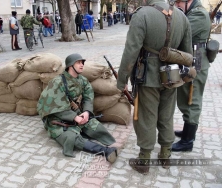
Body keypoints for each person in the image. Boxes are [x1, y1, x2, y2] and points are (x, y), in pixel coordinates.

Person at [116, 0, 192, 175]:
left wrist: (121, 81)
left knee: (146, 117)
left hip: (148, 76)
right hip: (172, 75)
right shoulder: (182, 16)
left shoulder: (142, 14)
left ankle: (144, 160)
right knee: (166, 115)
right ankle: (165, 156)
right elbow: (187, 54)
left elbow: (131, 50)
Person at [37, 53, 118, 163]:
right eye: (78, 62)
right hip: (57, 119)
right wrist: (74, 118)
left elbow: (88, 97)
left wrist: (86, 112)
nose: (82, 65)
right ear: (70, 65)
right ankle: (105, 151)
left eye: (82, 62)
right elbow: (51, 106)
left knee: (96, 127)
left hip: (77, 113)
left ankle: (109, 143)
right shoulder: (57, 82)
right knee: (71, 138)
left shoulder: (82, 80)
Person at [172, 0, 211, 152]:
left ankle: (188, 140)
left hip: (197, 62)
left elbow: (181, 32)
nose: (177, 6)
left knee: (192, 99)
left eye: (179, 3)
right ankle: (186, 130)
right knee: (184, 97)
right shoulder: (192, 12)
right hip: (190, 61)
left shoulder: (199, 14)